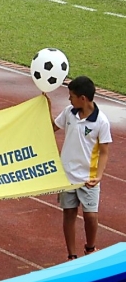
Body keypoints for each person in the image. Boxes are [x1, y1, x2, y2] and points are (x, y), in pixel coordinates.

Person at [46, 77, 111, 261]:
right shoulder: (69, 113)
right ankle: (71, 255)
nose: (69, 100)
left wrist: (98, 176)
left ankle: (90, 248)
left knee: (91, 216)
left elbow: (104, 152)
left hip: (87, 178)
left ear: (83, 98)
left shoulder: (101, 122)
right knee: (69, 213)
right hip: (67, 176)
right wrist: (47, 109)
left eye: (71, 96)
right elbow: (52, 127)